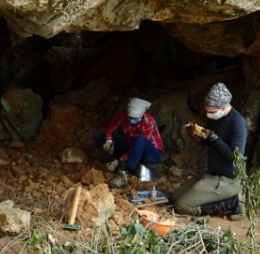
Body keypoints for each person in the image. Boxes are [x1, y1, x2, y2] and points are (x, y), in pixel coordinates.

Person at [172, 82, 248, 219]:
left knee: (181, 206)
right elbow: (209, 141)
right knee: (175, 198)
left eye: (211, 112)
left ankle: (231, 202)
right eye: (207, 111)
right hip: (212, 174)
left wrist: (214, 137)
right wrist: (197, 136)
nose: (208, 115)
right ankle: (222, 198)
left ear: (223, 108)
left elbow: (236, 157)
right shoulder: (216, 118)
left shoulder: (238, 123)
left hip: (228, 179)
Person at [95, 97, 164, 189]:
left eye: (134, 118)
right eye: (130, 118)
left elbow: (137, 147)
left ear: (141, 116)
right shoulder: (124, 116)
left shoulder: (148, 123)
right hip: (131, 146)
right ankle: (119, 162)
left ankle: (125, 172)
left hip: (151, 153)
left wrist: (120, 160)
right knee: (100, 136)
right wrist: (109, 140)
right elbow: (110, 129)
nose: (131, 120)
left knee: (140, 140)